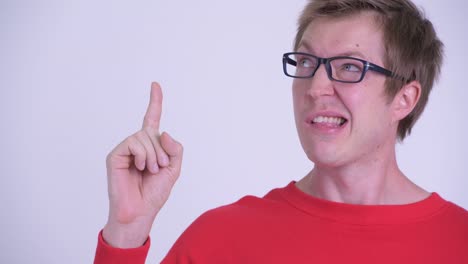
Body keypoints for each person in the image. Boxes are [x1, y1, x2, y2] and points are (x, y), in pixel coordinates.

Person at [94, 0, 468, 263]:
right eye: (306, 62)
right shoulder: (220, 239)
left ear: (404, 99)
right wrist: (125, 233)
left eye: (350, 67)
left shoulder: (459, 241)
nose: (316, 86)